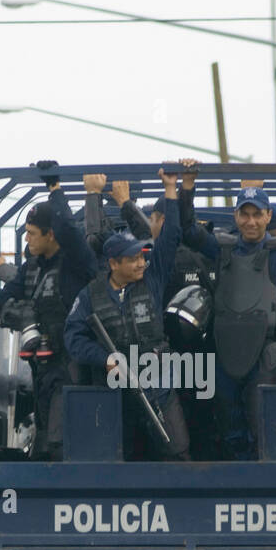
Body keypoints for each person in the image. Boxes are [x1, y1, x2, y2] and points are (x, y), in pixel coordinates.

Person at [0, 161, 97, 461]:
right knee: (42, 441)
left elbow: (68, 228)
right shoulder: (32, 268)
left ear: (50, 235)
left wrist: (55, 189)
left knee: (59, 443)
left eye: (32, 233)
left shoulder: (75, 262)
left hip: (73, 369)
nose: (26, 239)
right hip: (43, 368)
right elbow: (4, 299)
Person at [177, 158, 276, 459]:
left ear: (269, 216)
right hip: (225, 350)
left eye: (258, 214)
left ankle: (267, 486)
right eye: (245, 214)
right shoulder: (223, 248)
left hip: (265, 352)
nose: (251, 221)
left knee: (262, 426)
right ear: (236, 216)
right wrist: (188, 184)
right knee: (229, 427)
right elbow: (188, 230)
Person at [63, 169, 189, 460]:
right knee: (120, 457)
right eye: (133, 259)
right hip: (114, 391)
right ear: (113, 264)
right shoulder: (90, 296)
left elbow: (171, 236)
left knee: (177, 451)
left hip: (158, 385)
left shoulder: (153, 279)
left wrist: (171, 188)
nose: (141, 263)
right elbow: (73, 338)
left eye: (142, 257)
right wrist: (104, 359)